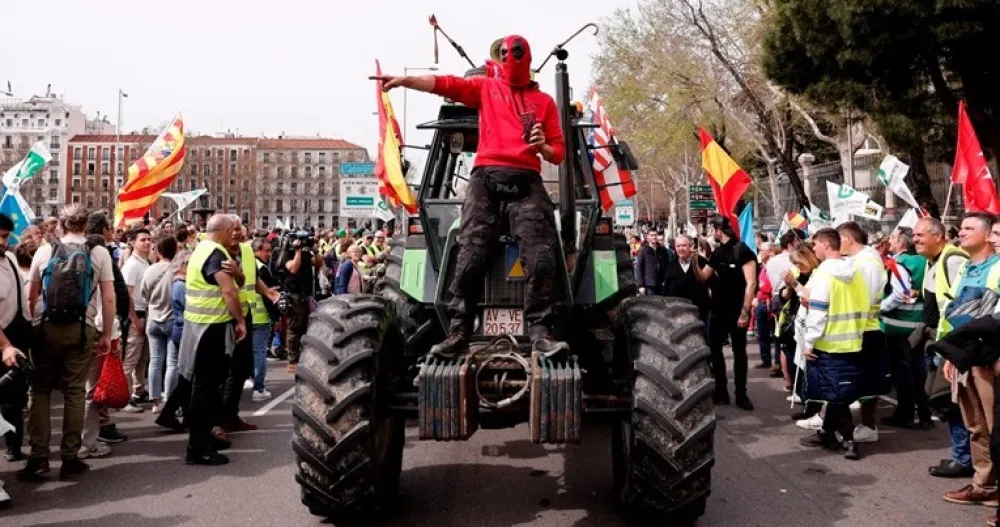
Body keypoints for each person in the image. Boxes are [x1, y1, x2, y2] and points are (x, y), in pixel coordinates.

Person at [376, 34, 569, 357]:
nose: (509, 57)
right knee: (470, 256)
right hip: (486, 179)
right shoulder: (486, 89)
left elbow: (558, 153)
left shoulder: (545, 103)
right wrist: (405, 80)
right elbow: (444, 84)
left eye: (515, 52)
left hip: (526, 179)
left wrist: (541, 146)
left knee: (542, 258)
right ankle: (458, 330)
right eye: (505, 53)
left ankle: (539, 330)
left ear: (527, 57)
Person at [22, 205, 116, 480]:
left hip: (46, 327)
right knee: (75, 392)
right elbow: (109, 298)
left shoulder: (45, 249)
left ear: (61, 225)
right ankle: (70, 457)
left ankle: (39, 457)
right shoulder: (98, 252)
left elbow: (31, 294)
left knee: (40, 390)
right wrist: (106, 334)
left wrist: (33, 322)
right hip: (82, 329)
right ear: (85, 225)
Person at [939, 213, 1000, 506]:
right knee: (974, 424)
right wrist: (953, 354)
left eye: (968, 228)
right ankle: (983, 484)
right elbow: (958, 312)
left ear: (988, 235)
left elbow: (989, 316)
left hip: (987, 357)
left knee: (993, 425)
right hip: (965, 354)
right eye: (961, 228)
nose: (960, 233)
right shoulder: (964, 266)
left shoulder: (998, 267)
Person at [177, 214, 246, 465]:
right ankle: (198, 447)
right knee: (205, 390)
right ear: (226, 231)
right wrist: (240, 321)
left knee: (203, 389)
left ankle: (203, 440)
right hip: (211, 329)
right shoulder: (216, 254)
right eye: (233, 230)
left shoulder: (201, 248)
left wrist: (238, 274)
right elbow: (228, 290)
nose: (235, 235)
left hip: (198, 326)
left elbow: (236, 282)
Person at [799, 228, 868, 460]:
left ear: (826, 245)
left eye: (815, 245)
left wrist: (809, 342)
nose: (814, 249)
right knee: (837, 393)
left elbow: (818, 312)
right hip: (853, 341)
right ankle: (827, 433)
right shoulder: (855, 272)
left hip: (828, 343)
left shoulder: (824, 274)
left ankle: (848, 441)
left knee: (837, 395)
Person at [916, 217, 974, 480]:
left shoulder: (953, 260)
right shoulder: (933, 261)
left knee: (953, 403)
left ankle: (963, 459)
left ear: (938, 236)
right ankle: (960, 455)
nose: (915, 239)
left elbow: (965, 305)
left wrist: (952, 347)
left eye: (920, 235)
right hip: (940, 342)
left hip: (952, 344)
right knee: (943, 401)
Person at [694, 216, 757, 410]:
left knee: (739, 353)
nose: (713, 231)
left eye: (714, 228)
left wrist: (745, 312)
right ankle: (721, 391)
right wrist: (695, 261)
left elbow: (751, 283)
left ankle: (741, 394)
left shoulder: (742, 250)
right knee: (715, 351)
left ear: (719, 230)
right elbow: (703, 277)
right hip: (717, 311)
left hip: (737, 310)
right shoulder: (718, 252)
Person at [837, 222, 889, 444]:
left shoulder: (867, 262)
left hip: (865, 329)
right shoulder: (858, 260)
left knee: (867, 379)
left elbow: (864, 299)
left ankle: (868, 426)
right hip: (858, 329)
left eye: (837, 239)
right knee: (858, 379)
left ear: (848, 238)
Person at [82, 212, 130, 446]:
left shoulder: (69, 251)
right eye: (109, 227)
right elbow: (109, 297)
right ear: (103, 231)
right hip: (100, 326)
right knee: (95, 384)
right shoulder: (101, 255)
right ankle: (91, 436)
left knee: (86, 385)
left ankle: (97, 426)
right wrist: (110, 331)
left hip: (83, 325)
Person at [879, 227, 932, 430]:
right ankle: (924, 414)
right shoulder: (924, 260)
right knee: (919, 370)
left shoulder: (900, 263)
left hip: (899, 325)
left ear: (901, 242)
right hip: (919, 323)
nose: (889, 240)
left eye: (892, 237)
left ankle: (906, 413)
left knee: (903, 372)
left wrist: (880, 309)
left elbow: (900, 293)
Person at [0, 214, 31, 464]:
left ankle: (14, 447)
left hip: (18, 337)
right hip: (2, 341)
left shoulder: (10, 258)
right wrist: (5, 345)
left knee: (17, 398)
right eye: (0, 236)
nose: (4, 241)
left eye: (6, 236)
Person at [141, 236, 180, 413]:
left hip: (153, 318)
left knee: (155, 360)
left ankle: (156, 400)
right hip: (172, 319)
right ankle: (170, 399)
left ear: (158, 251)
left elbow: (143, 294)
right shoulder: (177, 271)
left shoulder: (150, 270)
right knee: (172, 362)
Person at [279, 231, 323, 374]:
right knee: (294, 328)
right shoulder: (286, 254)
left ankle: (304, 357)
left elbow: (318, 263)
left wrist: (314, 249)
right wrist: (297, 251)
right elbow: (293, 268)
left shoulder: (306, 254)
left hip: (305, 295)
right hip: (294, 295)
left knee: (306, 327)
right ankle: (293, 360)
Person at [121, 227, 153, 412]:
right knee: (131, 357)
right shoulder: (131, 265)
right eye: (143, 239)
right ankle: (124, 397)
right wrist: (134, 319)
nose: (147, 242)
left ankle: (138, 390)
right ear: (133, 243)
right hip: (137, 314)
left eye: (149, 239)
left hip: (146, 313)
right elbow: (127, 295)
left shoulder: (145, 262)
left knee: (143, 357)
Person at [250, 237, 279, 402]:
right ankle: (259, 388)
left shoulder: (249, 266)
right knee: (259, 352)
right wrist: (275, 317)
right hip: (260, 316)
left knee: (252, 352)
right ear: (257, 251)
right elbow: (269, 296)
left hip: (248, 315)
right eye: (266, 251)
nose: (269, 254)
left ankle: (252, 379)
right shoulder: (262, 269)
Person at [661, 234, 709, 323]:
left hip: (698, 314)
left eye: (684, 245)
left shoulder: (702, 263)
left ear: (691, 247)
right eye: (678, 246)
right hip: (677, 314)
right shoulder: (670, 266)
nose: (681, 249)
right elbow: (666, 291)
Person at [754, 242, 776, 370]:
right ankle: (766, 359)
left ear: (770, 252)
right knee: (762, 333)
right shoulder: (760, 267)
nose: (760, 253)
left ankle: (778, 363)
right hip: (760, 303)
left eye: (762, 250)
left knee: (775, 334)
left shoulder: (773, 267)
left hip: (771, 303)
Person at [636, 230, 670, 296]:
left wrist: (666, 280)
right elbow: (639, 268)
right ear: (648, 237)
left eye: (655, 235)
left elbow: (667, 266)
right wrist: (640, 285)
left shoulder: (663, 250)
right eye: (652, 235)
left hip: (661, 284)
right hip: (649, 285)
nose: (654, 237)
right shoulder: (643, 250)